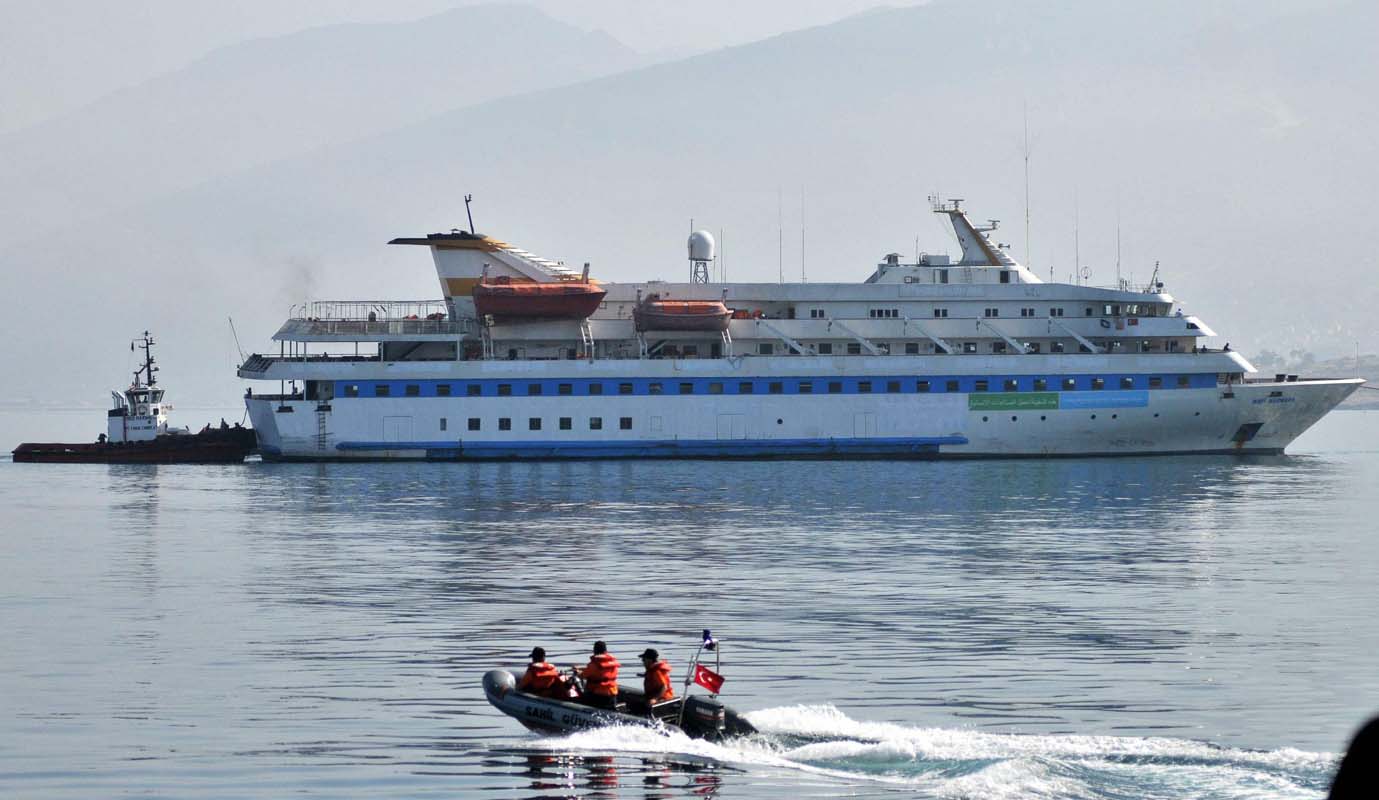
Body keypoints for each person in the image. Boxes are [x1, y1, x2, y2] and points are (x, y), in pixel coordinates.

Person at [576, 641, 620, 709]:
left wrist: (577, 672)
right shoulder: (613, 663)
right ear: (605, 651)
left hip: (598, 696)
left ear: (594, 650)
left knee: (579, 698)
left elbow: (582, 675)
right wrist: (581, 668)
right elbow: (600, 672)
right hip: (612, 694)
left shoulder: (594, 664)